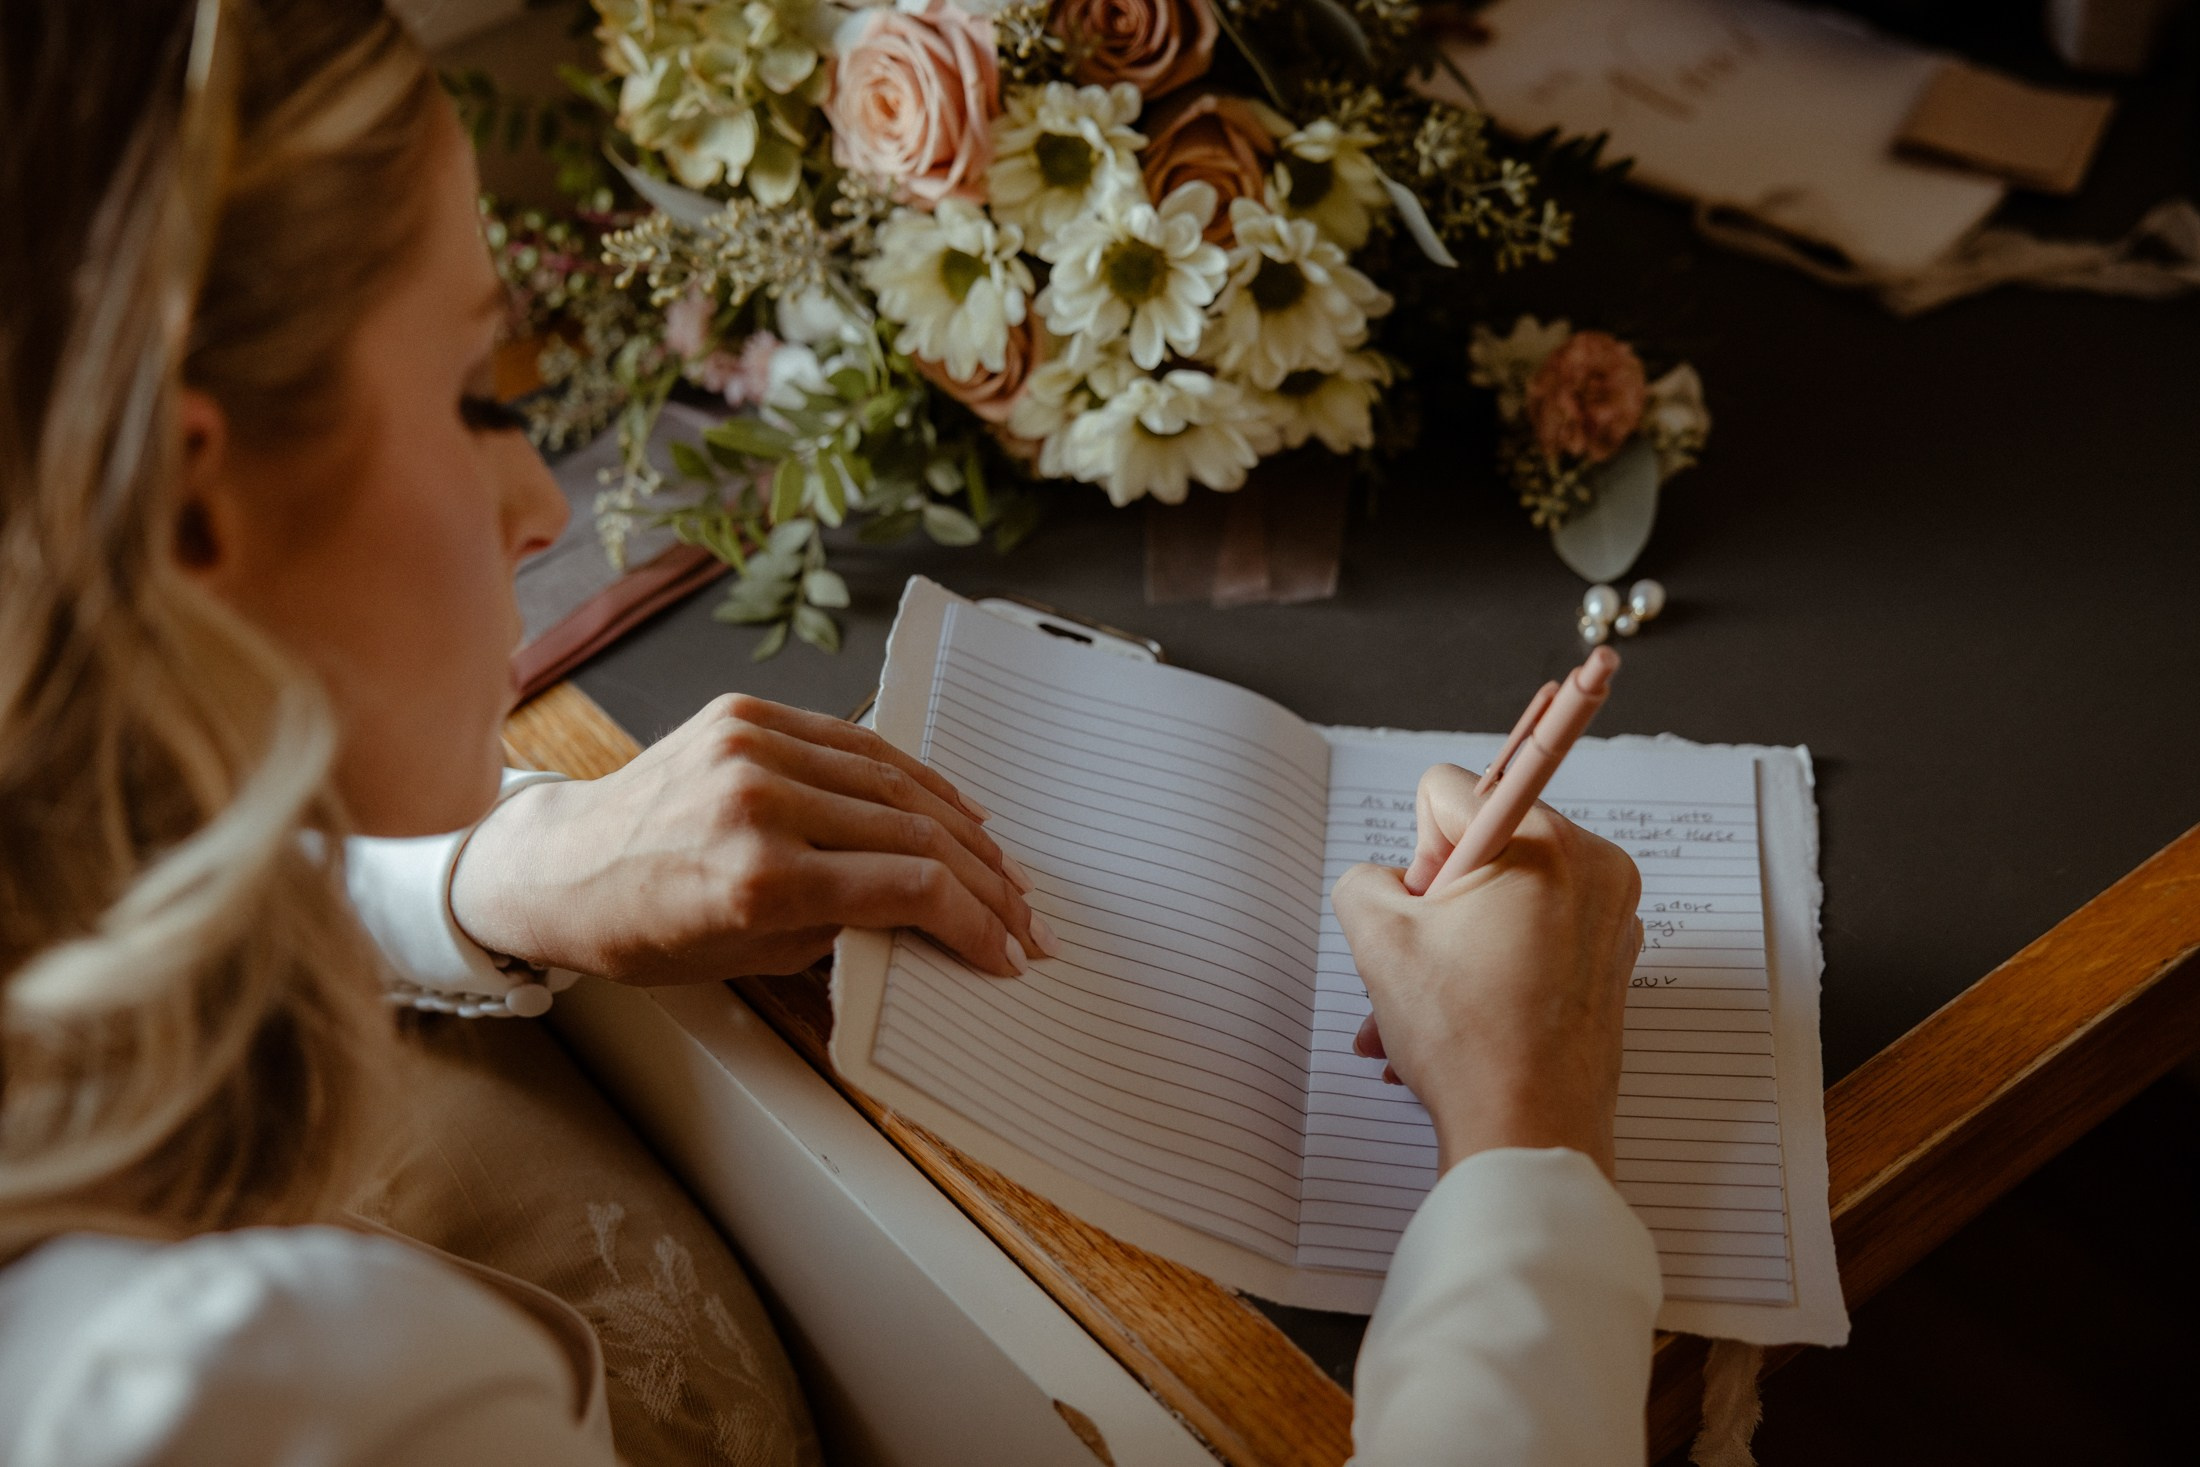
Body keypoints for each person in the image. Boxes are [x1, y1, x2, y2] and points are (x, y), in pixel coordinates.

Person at [0, 0, 1659, 1461]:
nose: (531, 503)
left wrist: (470, 880)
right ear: (196, 506)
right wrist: (1525, 1149)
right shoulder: (292, 1399)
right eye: (465, 393)